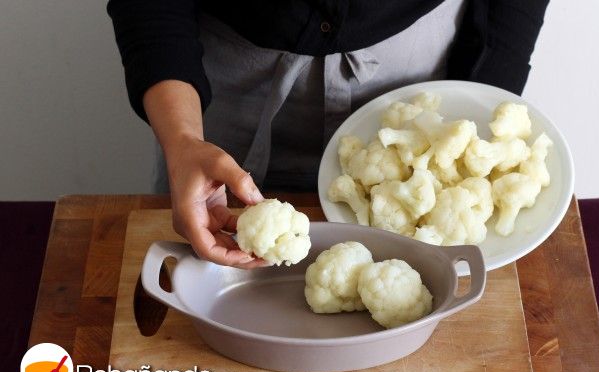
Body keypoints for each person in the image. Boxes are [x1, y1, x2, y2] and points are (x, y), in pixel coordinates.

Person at [107, 0, 548, 269]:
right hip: (225, 87)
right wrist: (184, 139)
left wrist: (485, 121)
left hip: (412, 83)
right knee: (204, 246)